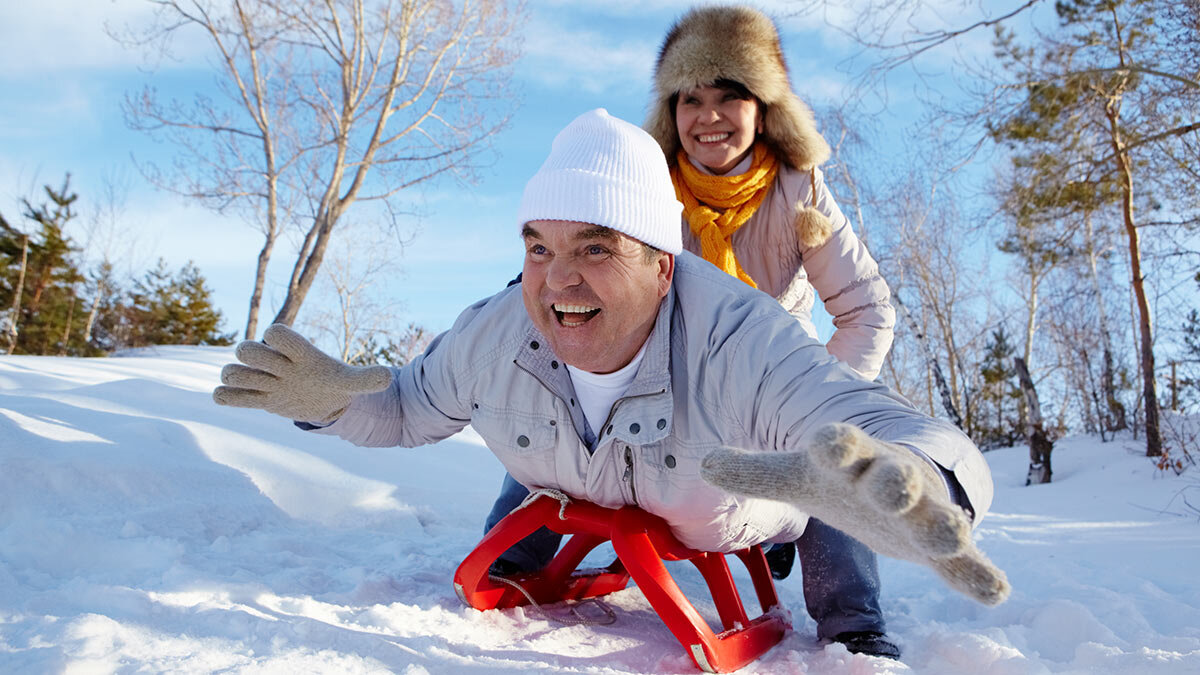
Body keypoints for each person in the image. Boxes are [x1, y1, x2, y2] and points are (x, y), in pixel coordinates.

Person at [212, 109, 1010, 665]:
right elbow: (406, 408)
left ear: (663, 265)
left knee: (837, 486)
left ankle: (855, 626)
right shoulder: (496, 329)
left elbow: (878, 421)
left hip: (726, 501)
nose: (558, 279)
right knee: (508, 534)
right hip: (576, 474)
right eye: (538, 246)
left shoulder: (740, 337)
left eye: (595, 248)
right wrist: (324, 401)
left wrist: (929, 484)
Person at [486, 4, 904, 658]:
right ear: (671, 113)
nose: (708, 115)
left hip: (763, 389)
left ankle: (853, 622)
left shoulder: (799, 194)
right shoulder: (641, 193)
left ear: (762, 108)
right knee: (561, 402)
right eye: (690, 98)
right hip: (661, 380)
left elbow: (868, 310)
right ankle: (514, 555)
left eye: (729, 96)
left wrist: (819, 398)